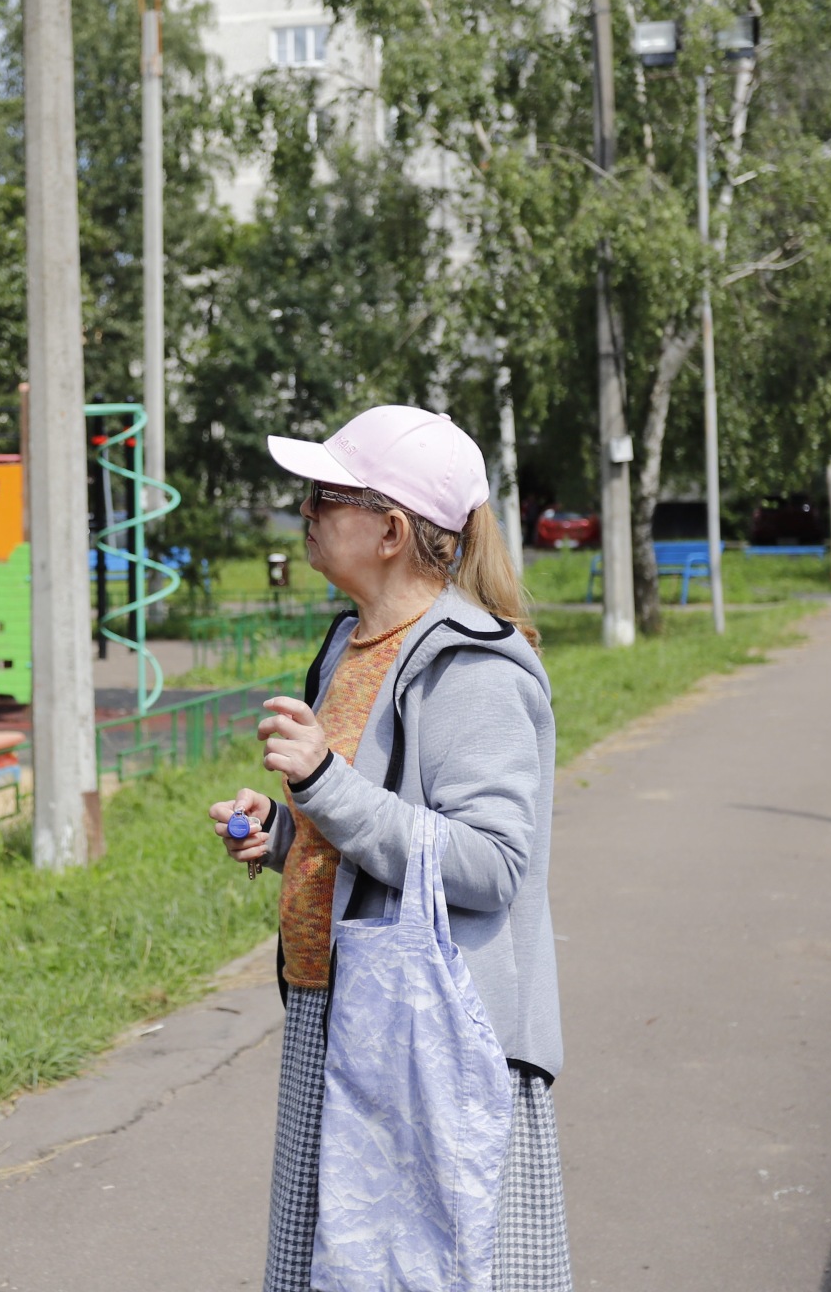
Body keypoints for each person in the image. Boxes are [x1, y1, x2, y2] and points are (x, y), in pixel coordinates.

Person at [208, 405, 570, 1292]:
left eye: (325, 495)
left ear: (391, 530)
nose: (305, 512)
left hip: (441, 1038)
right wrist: (286, 829)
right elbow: (372, 812)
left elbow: (491, 866)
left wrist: (325, 785)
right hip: (343, 1014)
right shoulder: (348, 641)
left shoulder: (474, 667)